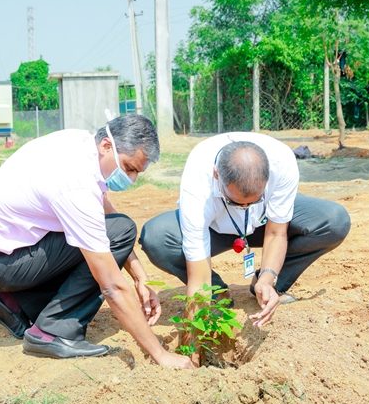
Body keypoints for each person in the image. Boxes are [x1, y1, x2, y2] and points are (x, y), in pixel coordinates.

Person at [0, 114, 193, 369]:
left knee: (117, 227)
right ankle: (54, 331)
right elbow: (112, 287)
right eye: (129, 168)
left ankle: (14, 303)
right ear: (107, 146)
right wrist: (161, 355)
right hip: (0, 263)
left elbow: (107, 213)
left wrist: (139, 275)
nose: (131, 179)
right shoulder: (75, 183)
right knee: (115, 236)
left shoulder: (80, 143)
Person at [139, 132, 351, 326]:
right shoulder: (198, 176)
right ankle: (216, 292)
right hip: (215, 229)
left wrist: (268, 278)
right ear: (216, 175)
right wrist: (194, 337)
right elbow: (196, 262)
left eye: (255, 200)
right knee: (157, 237)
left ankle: (267, 287)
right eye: (236, 202)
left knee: (334, 221)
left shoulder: (282, 162)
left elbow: (277, 232)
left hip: (263, 223)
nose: (245, 207)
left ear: (268, 178)